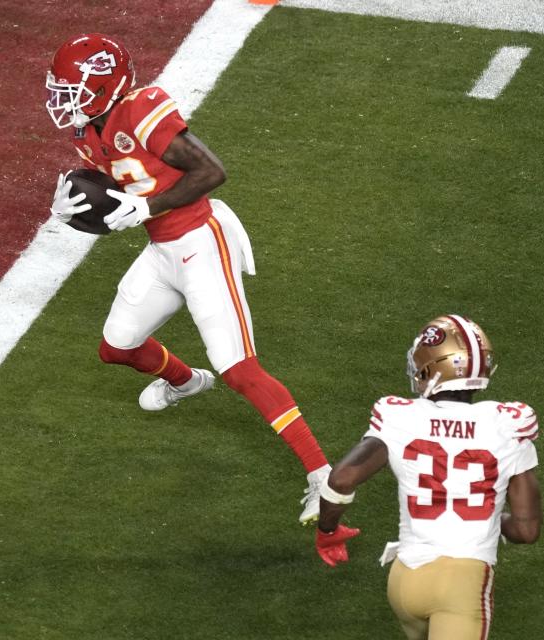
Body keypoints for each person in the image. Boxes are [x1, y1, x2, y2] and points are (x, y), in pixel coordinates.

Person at [43, 33, 331, 524]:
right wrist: (77, 204)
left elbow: (211, 170)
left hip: (201, 238)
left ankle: (324, 478)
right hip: (163, 248)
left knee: (239, 370)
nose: (63, 99)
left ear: (104, 84)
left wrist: (144, 207)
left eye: (72, 88)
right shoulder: (89, 133)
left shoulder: (140, 109)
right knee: (116, 346)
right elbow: (126, 187)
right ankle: (185, 382)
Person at [315, 314, 542, 640]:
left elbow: (341, 479)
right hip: (461, 585)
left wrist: (327, 530)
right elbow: (526, 529)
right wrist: (491, 519)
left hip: (405, 580)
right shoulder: (507, 425)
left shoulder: (400, 417)